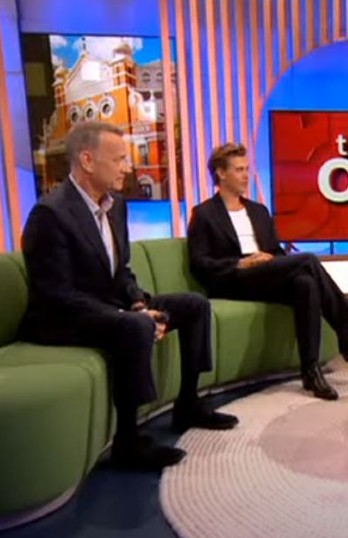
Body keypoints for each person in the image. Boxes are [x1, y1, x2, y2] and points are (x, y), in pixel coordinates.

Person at [19, 121, 237, 473]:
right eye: (119, 159)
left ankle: (188, 404)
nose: (128, 167)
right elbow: (57, 294)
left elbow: (120, 271)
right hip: (61, 319)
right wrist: (129, 316)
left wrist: (137, 302)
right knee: (135, 327)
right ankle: (128, 442)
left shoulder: (116, 206)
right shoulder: (50, 214)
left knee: (193, 305)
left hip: (109, 308)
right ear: (87, 160)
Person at [187, 143, 348, 401]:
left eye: (247, 169)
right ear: (221, 173)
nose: (246, 175)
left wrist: (269, 261)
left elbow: (276, 252)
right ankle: (344, 329)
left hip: (265, 275)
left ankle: (310, 370)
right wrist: (241, 263)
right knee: (308, 259)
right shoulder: (204, 214)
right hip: (234, 279)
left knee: (306, 284)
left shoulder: (258, 211)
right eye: (239, 170)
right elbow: (200, 264)